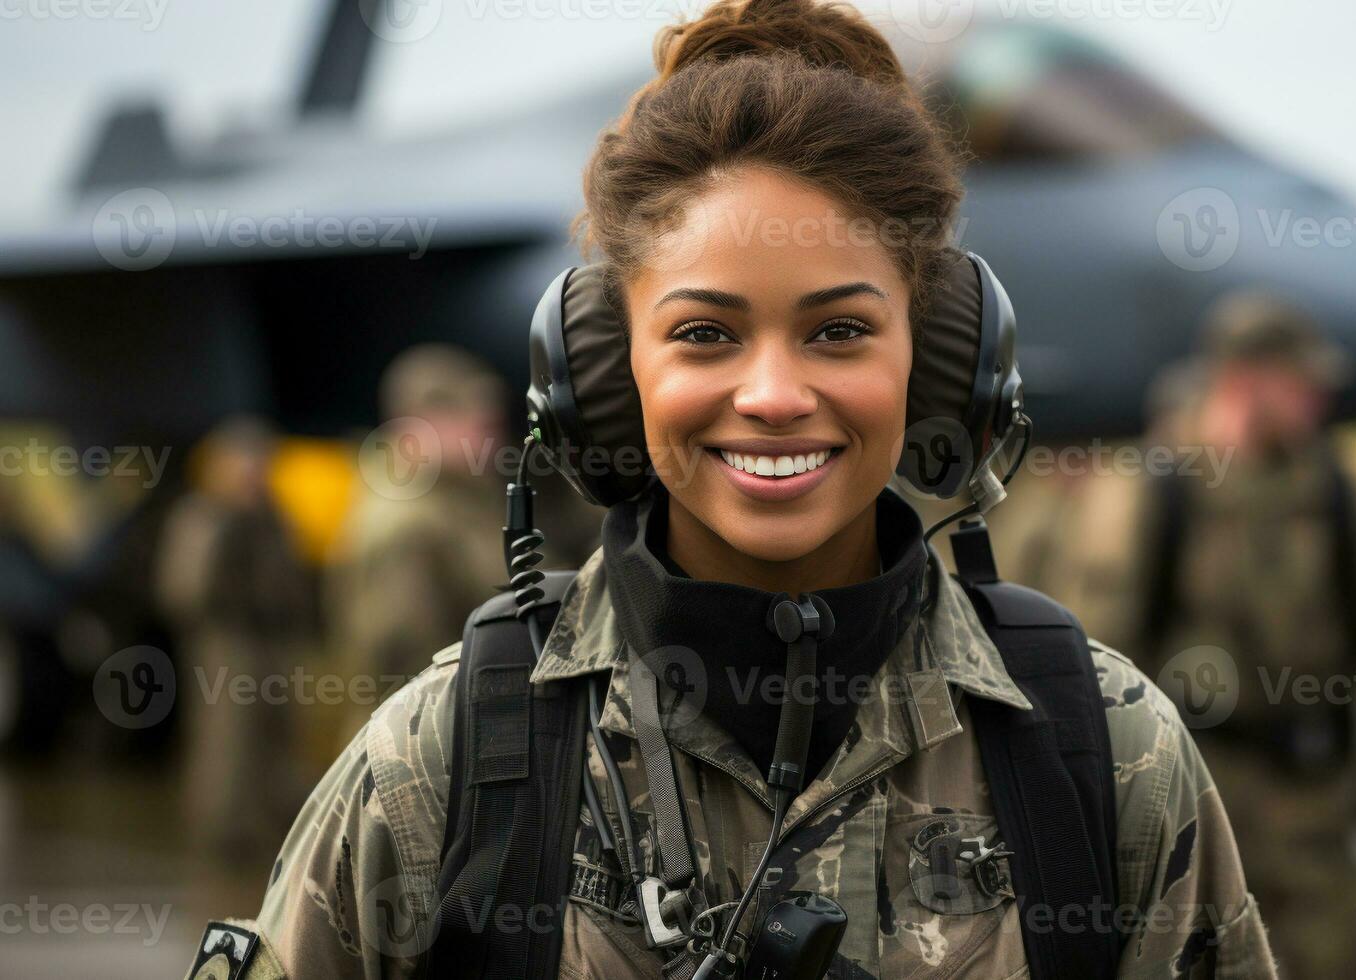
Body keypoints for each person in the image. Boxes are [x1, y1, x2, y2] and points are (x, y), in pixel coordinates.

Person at [186, 1, 1279, 977]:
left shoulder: (1102, 749)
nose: (772, 394)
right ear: (606, 375)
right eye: (704, 333)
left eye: (840, 330)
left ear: (939, 361)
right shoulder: (452, 752)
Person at [1117, 293, 1356, 978]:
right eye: (1300, 382)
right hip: (1203, 800)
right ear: (1244, 380)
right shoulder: (1159, 486)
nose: (1316, 400)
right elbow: (1105, 656)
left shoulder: (1330, 488)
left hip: (1319, 798)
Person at [325, 344, 514, 728]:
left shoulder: (457, 505)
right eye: (463, 414)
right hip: (425, 747)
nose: (486, 427)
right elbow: (406, 671)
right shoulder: (404, 522)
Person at [154, 417, 318, 856]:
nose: (252, 473)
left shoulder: (273, 517)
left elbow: (290, 576)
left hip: (274, 637)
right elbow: (183, 587)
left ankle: (268, 830)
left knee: (276, 734)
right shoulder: (203, 516)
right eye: (243, 462)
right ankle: (223, 834)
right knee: (228, 737)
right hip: (226, 639)